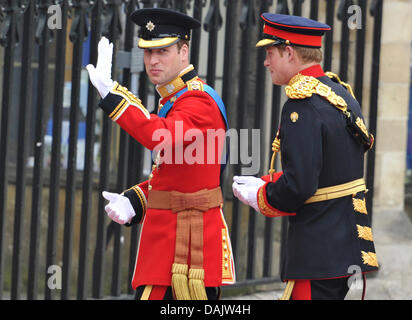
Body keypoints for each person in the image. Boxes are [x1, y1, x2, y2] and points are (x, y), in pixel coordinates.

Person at [86, 8, 235, 300]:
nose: (153, 60)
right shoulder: (175, 98)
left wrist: (112, 94)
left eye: (163, 51)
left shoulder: (199, 101)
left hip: (185, 248)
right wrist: (135, 200)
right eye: (148, 52)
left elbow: (159, 137)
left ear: (184, 51)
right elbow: (176, 176)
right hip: (170, 240)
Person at [232, 13, 378, 300]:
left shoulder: (302, 105)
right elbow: (330, 171)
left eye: (270, 53)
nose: (265, 62)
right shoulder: (340, 92)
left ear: (289, 52)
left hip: (317, 254)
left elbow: (300, 186)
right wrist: (269, 181)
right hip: (350, 248)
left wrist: (263, 196)